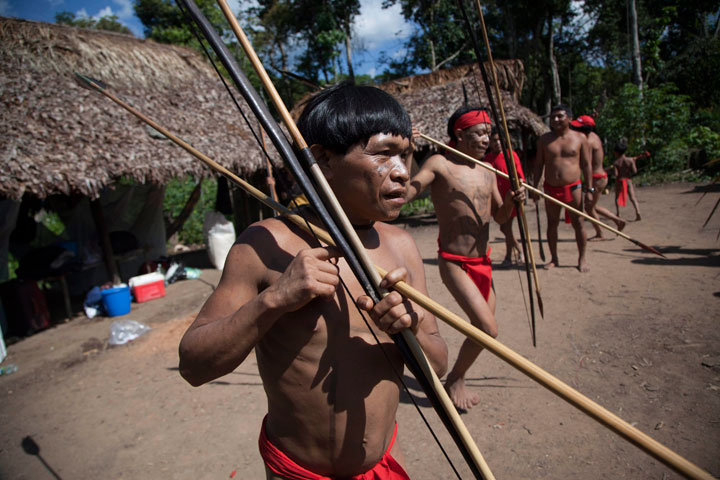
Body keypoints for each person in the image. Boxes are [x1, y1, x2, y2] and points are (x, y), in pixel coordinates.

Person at [178, 82, 448, 480]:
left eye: (406, 155)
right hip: (298, 472)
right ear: (322, 160)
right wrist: (275, 299)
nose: (403, 172)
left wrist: (408, 332)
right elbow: (193, 366)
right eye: (384, 154)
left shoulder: (402, 246)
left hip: (382, 465)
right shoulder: (266, 243)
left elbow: (438, 365)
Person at [406, 106, 525, 411]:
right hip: (454, 261)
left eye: (489, 133)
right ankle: (456, 377)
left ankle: (456, 377)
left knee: (483, 332)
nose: (488, 139)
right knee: (488, 329)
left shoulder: (488, 169)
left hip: (483, 262)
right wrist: (408, 151)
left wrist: (512, 201)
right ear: (459, 134)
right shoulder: (439, 164)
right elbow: (406, 192)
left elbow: (500, 217)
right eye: (481, 133)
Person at [532, 105, 592, 272]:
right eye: (553, 117)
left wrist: (589, 189)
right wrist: (534, 187)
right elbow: (538, 165)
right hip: (551, 188)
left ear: (569, 118)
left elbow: (586, 165)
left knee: (578, 223)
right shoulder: (544, 140)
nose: (556, 120)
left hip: (573, 188)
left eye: (559, 116)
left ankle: (582, 259)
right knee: (552, 224)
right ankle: (554, 258)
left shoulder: (580, 138)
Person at [569, 115, 626, 240]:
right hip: (599, 177)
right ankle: (617, 221)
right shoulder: (594, 136)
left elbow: (586, 164)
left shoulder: (587, 141)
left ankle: (600, 233)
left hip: (595, 178)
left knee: (589, 207)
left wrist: (588, 187)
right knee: (592, 206)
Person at [484, 129, 526, 265]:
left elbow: (521, 179)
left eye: (499, 140)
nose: (497, 143)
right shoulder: (487, 159)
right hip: (496, 199)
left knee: (506, 227)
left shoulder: (511, 155)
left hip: (510, 198)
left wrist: (520, 191)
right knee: (504, 227)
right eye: (494, 140)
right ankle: (513, 253)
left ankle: (514, 253)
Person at [612, 139, 646, 221]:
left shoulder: (616, 162)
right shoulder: (630, 160)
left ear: (617, 152)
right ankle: (638, 212)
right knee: (632, 197)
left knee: (617, 198)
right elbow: (635, 171)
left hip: (619, 181)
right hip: (627, 180)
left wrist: (612, 171)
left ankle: (618, 213)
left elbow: (616, 174)